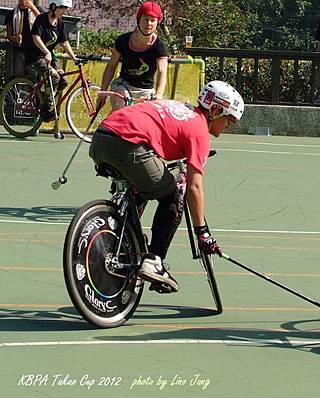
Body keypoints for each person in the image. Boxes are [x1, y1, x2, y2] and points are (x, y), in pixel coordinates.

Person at [89, 81, 244, 294]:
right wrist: (203, 233)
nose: (230, 125)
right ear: (216, 110)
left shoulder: (178, 107)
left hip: (100, 139)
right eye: (230, 119)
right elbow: (194, 187)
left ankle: (125, 239)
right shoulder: (199, 130)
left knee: (142, 184)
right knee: (172, 193)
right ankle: (154, 261)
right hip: (127, 145)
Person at [97, 1, 168, 113]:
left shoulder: (159, 47)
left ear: (157, 23)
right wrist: (103, 91)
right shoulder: (123, 40)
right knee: (119, 107)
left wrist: (159, 94)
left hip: (146, 92)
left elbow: (162, 72)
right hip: (123, 85)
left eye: (152, 20)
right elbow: (111, 66)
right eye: (145, 19)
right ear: (138, 19)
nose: (148, 24)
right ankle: (110, 128)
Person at [29, 0, 78, 122]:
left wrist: (74, 58)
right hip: (36, 56)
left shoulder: (60, 23)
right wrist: (46, 52)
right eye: (62, 8)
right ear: (54, 6)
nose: (64, 11)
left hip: (50, 56)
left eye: (66, 9)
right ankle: (46, 109)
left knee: (64, 80)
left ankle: (45, 99)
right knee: (54, 76)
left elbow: (64, 42)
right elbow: (36, 37)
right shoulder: (41, 19)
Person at [4, 0, 42, 79]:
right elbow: (9, 35)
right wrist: (14, 38)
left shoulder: (38, 10)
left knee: (34, 77)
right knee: (19, 77)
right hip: (19, 51)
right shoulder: (11, 14)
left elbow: (44, 23)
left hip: (35, 52)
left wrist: (33, 8)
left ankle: (33, 91)